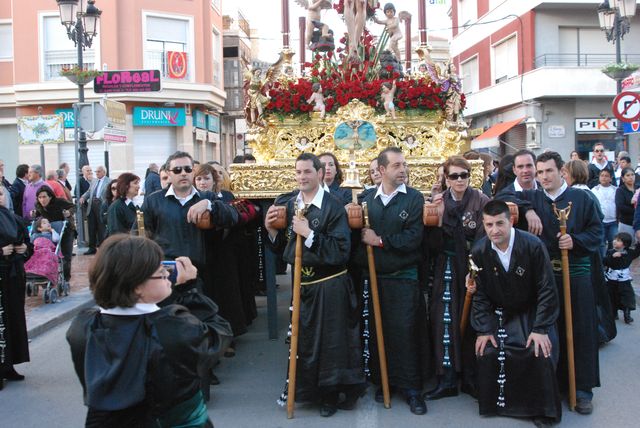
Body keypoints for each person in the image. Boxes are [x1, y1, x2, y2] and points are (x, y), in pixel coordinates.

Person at [66, 235, 219, 427]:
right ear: (137, 286)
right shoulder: (172, 328)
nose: (167, 275)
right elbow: (216, 336)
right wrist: (189, 290)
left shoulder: (83, 326)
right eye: (161, 272)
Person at [266, 153, 365, 417]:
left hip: (329, 285)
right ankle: (309, 392)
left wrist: (309, 233)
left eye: (307, 172)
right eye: (298, 172)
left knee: (331, 345)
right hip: (303, 285)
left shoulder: (332, 206)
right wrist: (273, 232)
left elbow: (341, 251)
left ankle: (330, 396)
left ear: (319, 174)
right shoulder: (291, 205)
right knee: (305, 343)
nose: (302, 177)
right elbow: (286, 251)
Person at [505, 151, 602, 415]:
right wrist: (529, 209)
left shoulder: (582, 198)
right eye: (540, 172)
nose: (544, 177)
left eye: (549, 171)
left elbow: (597, 232)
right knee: (550, 332)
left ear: (562, 171)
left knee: (580, 330)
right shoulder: (532, 197)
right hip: (546, 279)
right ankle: (555, 385)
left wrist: (576, 241)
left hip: (576, 275)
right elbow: (503, 196)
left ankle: (582, 389)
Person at [470, 200, 561, 427]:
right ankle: (497, 405)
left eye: (499, 223)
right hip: (500, 312)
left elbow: (547, 289)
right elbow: (479, 294)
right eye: (489, 225)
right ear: (483, 224)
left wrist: (540, 329)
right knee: (488, 350)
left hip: (533, 312)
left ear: (510, 221)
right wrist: (483, 329)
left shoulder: (532, 245)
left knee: (538, 351)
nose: (494, 230)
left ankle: (541, 410)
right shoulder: (480, 250)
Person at [355, 147, 427, 415]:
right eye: (397, 165)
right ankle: (384, 381)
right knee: (378, 332)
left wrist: (380, 241)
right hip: (374, 279)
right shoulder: (366, 200)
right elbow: (357, 240)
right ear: (382, 170)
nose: (403, 170)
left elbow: (413, 239)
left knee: (405, 333)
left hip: (403, 279)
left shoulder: (414, 199)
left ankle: (412, 389)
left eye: (404, 165)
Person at [426, 155, 490, 401]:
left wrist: (474, 267)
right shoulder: (438, 202)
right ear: (446, 178)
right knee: (445, 320)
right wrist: (439, 217)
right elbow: (431, 244)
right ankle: (447, 377)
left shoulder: (481, 200)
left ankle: (472, 378)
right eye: (454, 175)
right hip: (446, 267)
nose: (459, 179)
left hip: (474, 268)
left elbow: (486, 239)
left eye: (464, 175)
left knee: (475, 319)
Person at [142, 151, 238, 272]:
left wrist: (209, 205)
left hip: (203, 273)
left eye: (187, 169)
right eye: (177, 170)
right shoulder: (153, 200)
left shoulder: (208, 197)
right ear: (168, 173)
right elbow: (142, 235)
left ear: (193, 172)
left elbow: (233, 217)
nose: (183, 173)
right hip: (169, 273)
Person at [0, 184, 30, 389]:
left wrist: (24, 248)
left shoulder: (12, 217)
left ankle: (8, 366)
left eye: (1, 192)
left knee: (13, 321)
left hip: (12, 277)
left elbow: (27, 242)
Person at [33, 186, 75, 285]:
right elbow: (39, 215)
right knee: (51, 254)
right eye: (40, 197)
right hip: (50, 231)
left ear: (50, 197)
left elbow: (73, 206)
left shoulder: (59, 201)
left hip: (65, 229)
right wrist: (35, 214)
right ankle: (48, 276)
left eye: (44, 197)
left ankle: (66, 279)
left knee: (65, 256)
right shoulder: (38, 205)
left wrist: (69, 212)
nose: (42, 200)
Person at [603, 232, 639, 324]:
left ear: (625, 244)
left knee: (627, 297)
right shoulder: (611, 251)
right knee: (612, 297)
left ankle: (627, 314)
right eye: (615, 239)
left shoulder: (629, 253)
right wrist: (612, 256)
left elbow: (637, 251)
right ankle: (613, 313)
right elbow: (605, 261)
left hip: (624, 280)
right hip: (612, 279)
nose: (615, 241)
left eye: (618, 240)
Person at [80, 166, 110, 255]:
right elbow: (89, 191)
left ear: (104, 172)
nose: (96, 173)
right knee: (91, 227)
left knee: (101, 227)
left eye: (99, 172)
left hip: (101, 205)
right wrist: (83, 197)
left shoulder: (109, 181)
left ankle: (102, 248)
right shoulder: (94, 181)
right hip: (92, 205)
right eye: (96, 172)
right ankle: (91, 248)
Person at [591, 169, 618, 257]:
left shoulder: (615, 190)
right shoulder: (594, 190)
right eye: (602, 175)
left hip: (613, 221)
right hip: (600, 221)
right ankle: (602, 263)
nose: (604, 178)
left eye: (606, 176)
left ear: (611, 178)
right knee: (601, 243)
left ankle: (611, 262)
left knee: (613, 242)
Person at [616, 167, 637, 241]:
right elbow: (620, 206)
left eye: (632, 175)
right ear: (623, 178)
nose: (631, 177)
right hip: (626, 223)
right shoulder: (620, 191)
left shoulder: (638, 189)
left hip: (638, 223)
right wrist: (636, 210)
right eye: (628, 175)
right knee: (626, 246)